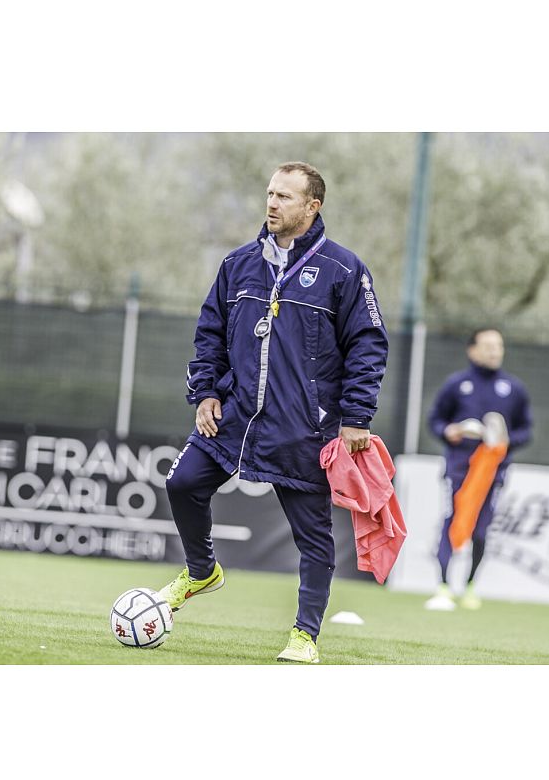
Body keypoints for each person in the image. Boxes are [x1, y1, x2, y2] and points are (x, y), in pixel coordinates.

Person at [159, 162, 389, 663]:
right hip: (235, 416)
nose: (272, 203)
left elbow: (368, 346)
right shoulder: (237, 263)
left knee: (314, 539)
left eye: (285, 196)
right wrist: (206, 392)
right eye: (269, 193)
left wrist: (356, 416)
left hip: (303, 427)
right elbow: (209, 333)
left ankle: (305, 636)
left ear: (312, 206)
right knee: (182, 483)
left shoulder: (344, 270)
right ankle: (201, 571)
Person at [425, 328, 533, 610]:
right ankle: (443, 586)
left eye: (498, 346)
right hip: (459, 469)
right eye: (488, 346)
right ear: (472, 350)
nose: (494, 351)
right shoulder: (457, 384)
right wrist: (448, 431)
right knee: (452, 522)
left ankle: (470, 586)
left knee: (481, 531)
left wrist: (504, 441)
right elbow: (435, 420)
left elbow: (526, 430)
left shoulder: (513, 388)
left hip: (493, 473)